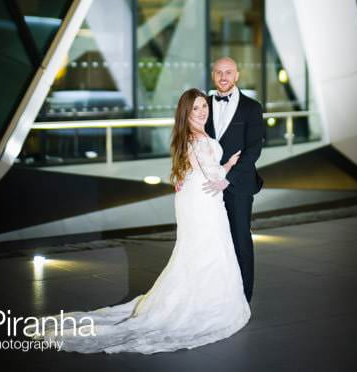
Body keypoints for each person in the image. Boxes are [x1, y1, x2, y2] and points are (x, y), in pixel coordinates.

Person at [33, 89, 251, 354]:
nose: (202, 111)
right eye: (195, 108)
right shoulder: (200, 140)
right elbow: (214, 175)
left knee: (195, 251)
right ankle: (206, 306)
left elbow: (186, 171)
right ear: (186, 112)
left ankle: (196, 298)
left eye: (204, 106)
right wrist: (229, 165)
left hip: (193, 198)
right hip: (204, 200)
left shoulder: (187, 137)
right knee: (208, 251)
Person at [204, 57, 265, 303]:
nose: (223, 77)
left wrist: (228, 178)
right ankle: (216, 294)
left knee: (240, 238)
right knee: (211, 239)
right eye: (219, 72)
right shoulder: (202, 105)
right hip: (207, 185)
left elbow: (253, 151)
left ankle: (243, 297)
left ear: (237, 75)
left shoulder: (252, 107)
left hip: (238, 185)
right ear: (213, 75)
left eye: (228, 72)